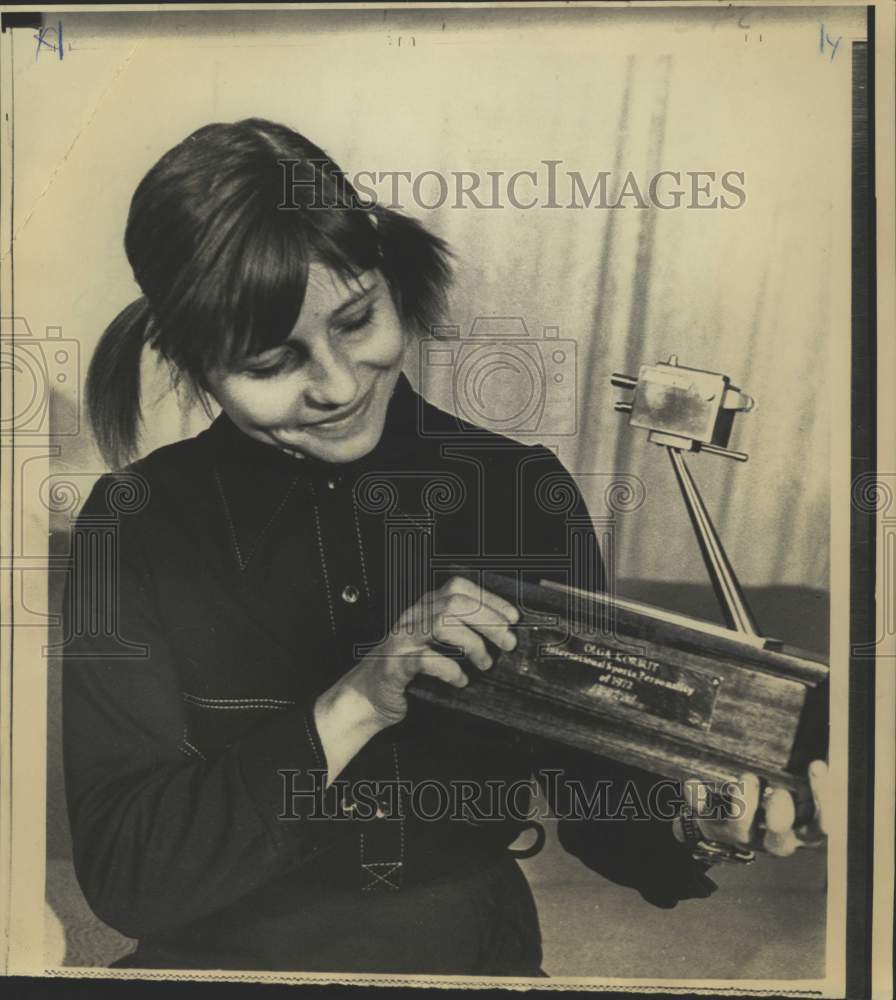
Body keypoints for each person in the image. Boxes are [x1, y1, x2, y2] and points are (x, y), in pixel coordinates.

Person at [62, 118, 827, 976]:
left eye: (358, 320)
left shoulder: (521, 492)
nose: (340, 385)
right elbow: (127, 873)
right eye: (273, 362)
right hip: (221, 960)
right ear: (192, 362)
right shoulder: (132, 522)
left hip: (466, 951)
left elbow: (597, 799)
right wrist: (356, 699)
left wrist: (701, 820)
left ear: (390, 281)